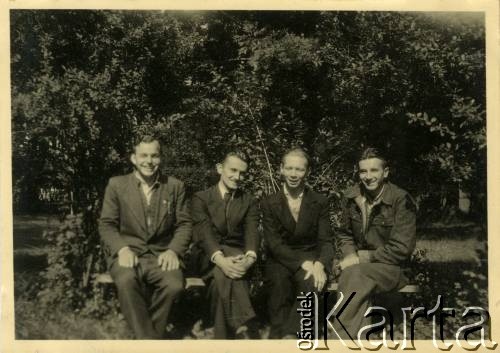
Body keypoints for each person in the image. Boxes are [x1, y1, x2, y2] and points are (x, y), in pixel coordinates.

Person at [98, 135, 192, 339]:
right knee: (126, 280)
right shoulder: (116, 185)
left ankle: (145, 338)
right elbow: (107, 224)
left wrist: (173, 251)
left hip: (161, 256)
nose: (149, 161)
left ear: (160, 158)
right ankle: (150, 341)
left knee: (174, 285)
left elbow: (184, 225)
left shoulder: (175, 186)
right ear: (133, 158)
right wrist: (121, 249)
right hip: (128, 254)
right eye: (143, 155)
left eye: (154, 156)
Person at [335, 147, 416, 340]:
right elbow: (344, 234)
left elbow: (401, 249)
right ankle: (356, 340)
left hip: (393, 268)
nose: (368, 176)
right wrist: (349, 255)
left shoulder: (401, 200)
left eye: (374, 171)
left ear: (385, 173)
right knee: (350, 273)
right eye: (363, 171)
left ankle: (339, 338)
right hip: (358, 267)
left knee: (354, 273)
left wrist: (360, 258)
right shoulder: (351, 197)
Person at [261, 148, 334, 339]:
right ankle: (279, 334)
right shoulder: (269, 202)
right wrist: (301, 263)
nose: (294, 174)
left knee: (311, 280)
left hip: (310, 257)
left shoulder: (320, 201)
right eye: (290, 168)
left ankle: (291, 335)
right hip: (279, 258)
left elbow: (326, 241)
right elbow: (274, 243)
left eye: (300, 170)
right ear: (281, 169)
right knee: (278, 283)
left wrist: (320, 264)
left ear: (307, 172)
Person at [191, 150, 260, 339]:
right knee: (226, 271)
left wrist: (249, 259)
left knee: (221, 280)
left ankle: (225, 337)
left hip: (238, 261)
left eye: (243, 173)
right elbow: (204, 235)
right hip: (207, 257)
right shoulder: (201, 198)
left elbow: (252, 234)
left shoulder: (249, 201)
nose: (237, 177)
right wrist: (222, 260)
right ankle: (245, 324)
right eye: (233, 170)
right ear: (220, 168)